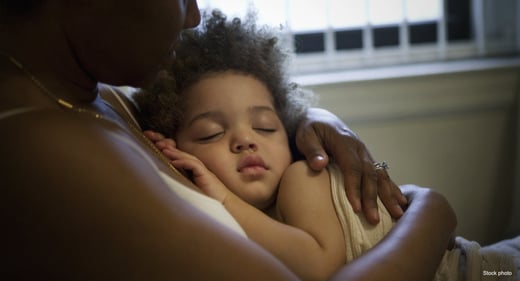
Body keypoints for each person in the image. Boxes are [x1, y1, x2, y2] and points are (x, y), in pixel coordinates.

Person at [0, 1, 457, 280]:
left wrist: (310, 120)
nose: (193, 15)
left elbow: (217, 108)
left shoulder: (100, 96)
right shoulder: (46, 155)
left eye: (264, 127)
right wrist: (431, 210)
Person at [135, 11, 518, 281]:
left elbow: (317, 266)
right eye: (211, 134)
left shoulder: (302, 178)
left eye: (265, 127)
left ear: (288, 135)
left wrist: (222, 196)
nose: (245, 139)